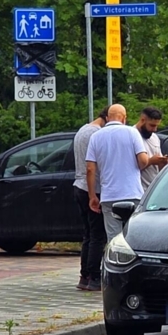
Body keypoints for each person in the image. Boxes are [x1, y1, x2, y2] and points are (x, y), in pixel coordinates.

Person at [85, 104, 149, 242]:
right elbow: (143, 161)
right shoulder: (132, 133)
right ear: (124, 118)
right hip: (133, 193)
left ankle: (115, 262)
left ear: (107, 118)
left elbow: (90, 168)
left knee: (113, 238)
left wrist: (92, 196)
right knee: (134, 235)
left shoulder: (95, 137)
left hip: (109, 196)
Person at [72, 106, 109, 291]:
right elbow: (92, 167)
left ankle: (84, 276)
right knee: (97, 236)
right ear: (107, 118)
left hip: (78, 186)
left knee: (88, 235)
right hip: (91, 187)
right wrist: (94, 194)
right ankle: (95, 277)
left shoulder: (83, 130)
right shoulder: (97, 134)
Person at [135, 106, 168, 189]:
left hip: (153, 189)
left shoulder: (154, 137)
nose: (155, 129)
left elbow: (159, 168)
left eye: (156, 126)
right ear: (143, 120)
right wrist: (151, 161)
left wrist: (163, 161)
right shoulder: (131, 135)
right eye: (152, 125)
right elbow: (128, 167)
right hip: (138, 190)